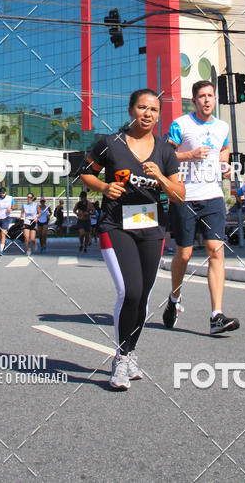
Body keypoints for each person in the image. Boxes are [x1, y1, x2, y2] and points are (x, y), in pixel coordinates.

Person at [80, 88, 184, 390]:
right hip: (116, 226)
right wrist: (103, 187)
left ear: (159, 114)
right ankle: (122, 359)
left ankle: (130, 353)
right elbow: (84, 172)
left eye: (153, 109)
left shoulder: (165, 152)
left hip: (152, 228)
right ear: (131, 111)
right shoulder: (110, 144)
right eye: (142, 108)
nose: (147, 114)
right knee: (131, 291)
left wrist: (162, 178)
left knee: (144, 297)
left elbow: (179, 196)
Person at [163, 79, 240, 336]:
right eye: (201, 96)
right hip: (185, 197)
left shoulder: (222, 126)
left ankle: (216, 315)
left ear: (214, 99)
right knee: (184, 255)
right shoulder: (181, 124)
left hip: (213, 197)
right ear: (194, 100)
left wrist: (225, 164)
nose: (207, 100)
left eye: (210, 96)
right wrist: (189, 155)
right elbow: (164, 155)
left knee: (215, 251)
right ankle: (174, 299)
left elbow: (224, 149)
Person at [0, 186, 15, 256]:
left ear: (5, 193)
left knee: (3, 233)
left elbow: (13, 207)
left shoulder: (10, 198)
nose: (2, 195)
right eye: (0, 193)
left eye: (3, 193)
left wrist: (11, 209)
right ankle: (3, 243)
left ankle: (1, 251)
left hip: (6, 218)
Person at [21, 192, 38, 257]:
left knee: (32, 239)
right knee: (26, 237)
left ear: (32, 198)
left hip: (33, 222)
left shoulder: (35, 205)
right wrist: (22, 218)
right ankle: (28, 249)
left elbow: (39, 213)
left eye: (30, 197)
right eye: (28, 197)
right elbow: (22, 213)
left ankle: (34, 244)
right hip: (26, 222)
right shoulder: (24, 205)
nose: (29, 198)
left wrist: (36, 217)